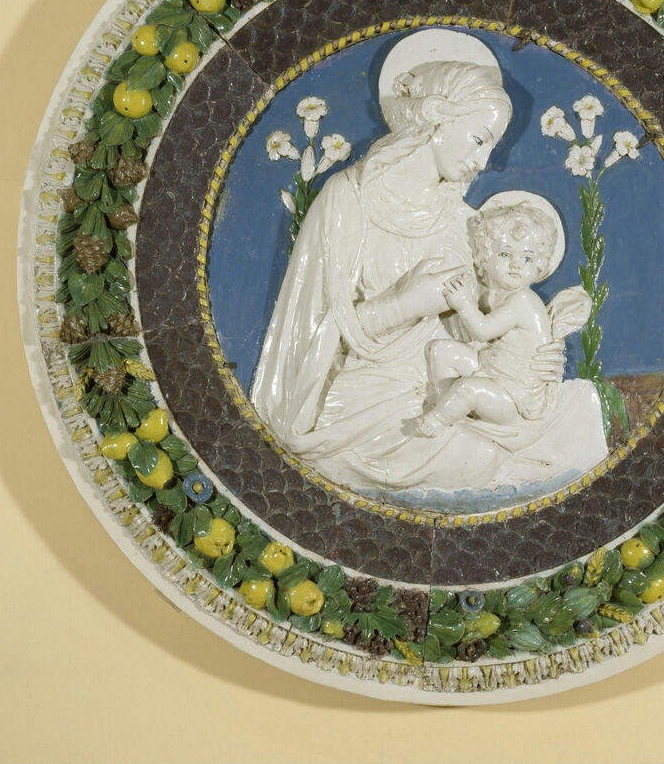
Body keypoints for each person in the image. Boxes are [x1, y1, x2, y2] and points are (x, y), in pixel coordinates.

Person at [250, 30, 607, 499]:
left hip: (449, 379)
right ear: (437, 115)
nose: (483, 161)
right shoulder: (348, 199)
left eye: (490, 148)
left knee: (580, 406)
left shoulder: (465, 222)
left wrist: (536, 348)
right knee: (472, 456)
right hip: (365, 389)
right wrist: (405, 304)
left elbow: (485, 322)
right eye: (478, 140)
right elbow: (310, 331)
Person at [415, 198, 561, 437]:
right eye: (505, 254)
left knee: (468, 388)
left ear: (539, 265)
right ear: (484, 258)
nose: (516, 265)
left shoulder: (523, 300)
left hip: (513, 396)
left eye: (527, 258)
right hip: (491, 369)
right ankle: (448, 407)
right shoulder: (503, 295)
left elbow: (482, 331)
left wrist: (463, 303)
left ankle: (438, 421)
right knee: (440, 351)